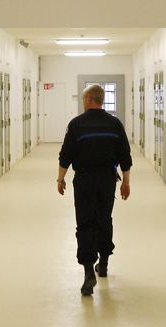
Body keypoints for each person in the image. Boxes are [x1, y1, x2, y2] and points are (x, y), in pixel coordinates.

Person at [57, 84, 132, 296]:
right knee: (104, 219)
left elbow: (66, 155)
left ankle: (89, 270)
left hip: (84, 180)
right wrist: (126, 182)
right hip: (107, 180)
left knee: (85, 222)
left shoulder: (76, 124)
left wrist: (60, 179)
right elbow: (125, 156)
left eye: (83, 99)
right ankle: (105, 263)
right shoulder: (114, 124)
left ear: (89, 99)